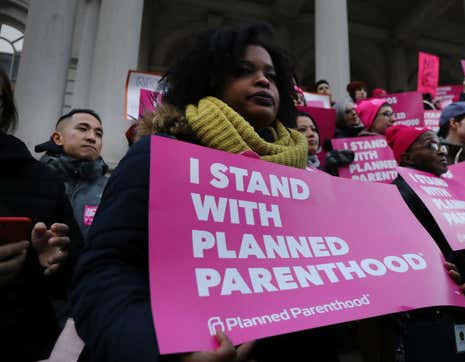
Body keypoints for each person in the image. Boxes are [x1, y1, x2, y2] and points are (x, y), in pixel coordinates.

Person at [70, 24, 334, 362]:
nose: (263, 80)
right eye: (243, 71)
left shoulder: (303, 177)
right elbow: (105, 273)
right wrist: (166, 352)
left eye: (271, 75)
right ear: (209, 80)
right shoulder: (158, 155)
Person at [387, 125, 465, 362]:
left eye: (442, 145)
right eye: (431, 145)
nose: (442, 151)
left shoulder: (449, 187)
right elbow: (416, 255)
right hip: (440, 315)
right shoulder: (401, 194)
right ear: (407, 157)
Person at [0, 67, 80, 361]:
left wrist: (55, 261)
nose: (91, 138)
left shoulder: (41, 181)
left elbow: (79, 274)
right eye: (82, 129)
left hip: (24, 341)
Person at [35, 109, 109, 238]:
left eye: (98, 134)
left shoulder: (111, 187)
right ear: (58, 138)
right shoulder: (34, 179)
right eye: (82, 129)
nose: (92, 138)